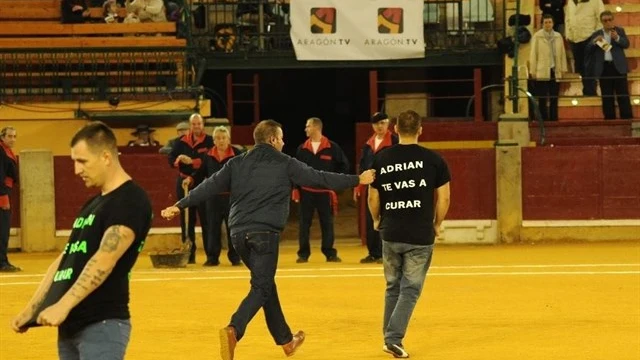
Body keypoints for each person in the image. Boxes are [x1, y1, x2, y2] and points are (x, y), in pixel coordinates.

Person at [160, 119, 375, 360]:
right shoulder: (285, 162)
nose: (283, 142)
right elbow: (319, 178)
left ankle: (285, 341)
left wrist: (180, 205)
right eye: (281, 138)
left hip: (238, 234)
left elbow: (209, 185)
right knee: (261, 287)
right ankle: (234, 329)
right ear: (272, 139)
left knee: (266, 285)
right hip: (264, 234)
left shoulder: (237, 162)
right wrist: (358, 179)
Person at [10, 121, 152, 360]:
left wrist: (62, 305)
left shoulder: (130, 200)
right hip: (71, 327)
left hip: (102, 325)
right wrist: (32, 309)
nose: (76, 170)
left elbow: (104, 260)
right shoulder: (92, 205)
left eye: (82, 161)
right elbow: (64, 261)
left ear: (106, 157)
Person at [367, 110, 450, 359]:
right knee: (410, 289)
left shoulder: (381, 158)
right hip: (419, 235)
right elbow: (444, 197)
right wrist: (437, 224)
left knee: (393, 286)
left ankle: (388, 336)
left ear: (394, 130)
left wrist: (376, 220)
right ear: (420, 130)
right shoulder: (434, 160)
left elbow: (373, 196)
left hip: (390, 231)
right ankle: (393, 338)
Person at [293, 117, 350, 263]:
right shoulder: (302, 149)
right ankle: (303, 254)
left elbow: (344, 166)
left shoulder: (332, 147)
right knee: (304, 224)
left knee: (327, 224)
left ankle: (330, 253)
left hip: (325, 193)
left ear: (316, 127)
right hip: (306, 192)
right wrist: (295, 188)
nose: (305, 129)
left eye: (308, 126)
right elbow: (294, 171)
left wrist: (335, 183)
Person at [168, 113, 213, 264]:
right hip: (183, 182)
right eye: (194, 124)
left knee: (206, 219)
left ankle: (210, 256)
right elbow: (171, 159)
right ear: (190, 125)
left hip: (202, 183)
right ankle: (189, 255)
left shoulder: (209, 141)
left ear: (203, 125)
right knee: (186, 220)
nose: (196, 127)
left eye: (199, 124)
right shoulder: (181, 142)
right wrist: (178, 160)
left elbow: (209, 162)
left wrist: (192, 162)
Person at [354, 112, 398, 263]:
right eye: (377, 124)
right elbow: (362, 166)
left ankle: (387, 254)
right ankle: (374, 253)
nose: (380, 126)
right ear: (373, 126)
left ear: (388, 124)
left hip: (390, 186)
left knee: (388, 219)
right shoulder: (368, 144)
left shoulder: (394, 141)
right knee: (370, 219)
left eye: (383, 123)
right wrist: (359, 186)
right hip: (371, 187)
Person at [201, 126, 243, 266]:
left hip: (232, 198)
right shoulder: (208, 155)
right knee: (213, 228)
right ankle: (212, 258)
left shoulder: (237, 154)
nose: (221, 141)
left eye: (223, 138)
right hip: (213, 198)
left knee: (234, 228)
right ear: (213, 140)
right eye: (218, 138)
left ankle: (235, 257)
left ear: (229, 139)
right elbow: (201, 174)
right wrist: (190, 179)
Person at [585, 10, 633, 120]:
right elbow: (587, 49)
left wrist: (617, 38)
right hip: (604, 68)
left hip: (618, 67)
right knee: (607, 96)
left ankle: (626, 119)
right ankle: (610, 119)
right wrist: (593, 42)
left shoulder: (619, 31)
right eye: (605, 20)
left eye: (609, 20)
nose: (608, 22)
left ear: (613, 20)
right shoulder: (597, 34)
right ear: (601, 22)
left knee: (623, 94)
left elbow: (626, 44)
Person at [530, 14, 568, 121]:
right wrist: (533, 70)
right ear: (542, 24)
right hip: (541, 70)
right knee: (542, 97)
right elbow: (533, 54)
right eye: (545, 22)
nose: (548, 24)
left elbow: (562, 53)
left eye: (550, 22)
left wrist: (563, 69)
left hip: (554, 69)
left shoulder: (558, 36)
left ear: (553, 23)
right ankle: (543, 118)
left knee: (554, 97)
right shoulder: (537, 36)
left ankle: (554, 118)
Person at [565, 0, 605, 96]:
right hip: (575, 38)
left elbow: (601, 18)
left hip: (590, 38)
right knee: (581, 68)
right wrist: (568, 35)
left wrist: (595, 36)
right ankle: (587, 90)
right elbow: (568, 18)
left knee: (590, 68)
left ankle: (590, 91)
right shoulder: (570, 1)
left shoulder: (596, 1)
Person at [0, 126, 21, 272]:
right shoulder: (1, 151)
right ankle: (2, 262)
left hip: (5, 191)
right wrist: (3, 197)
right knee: (2, 229)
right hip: (2, 193)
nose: (12, 139)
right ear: (2, 136)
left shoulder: (5, 150)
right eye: (10, 136)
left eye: (14, 136)